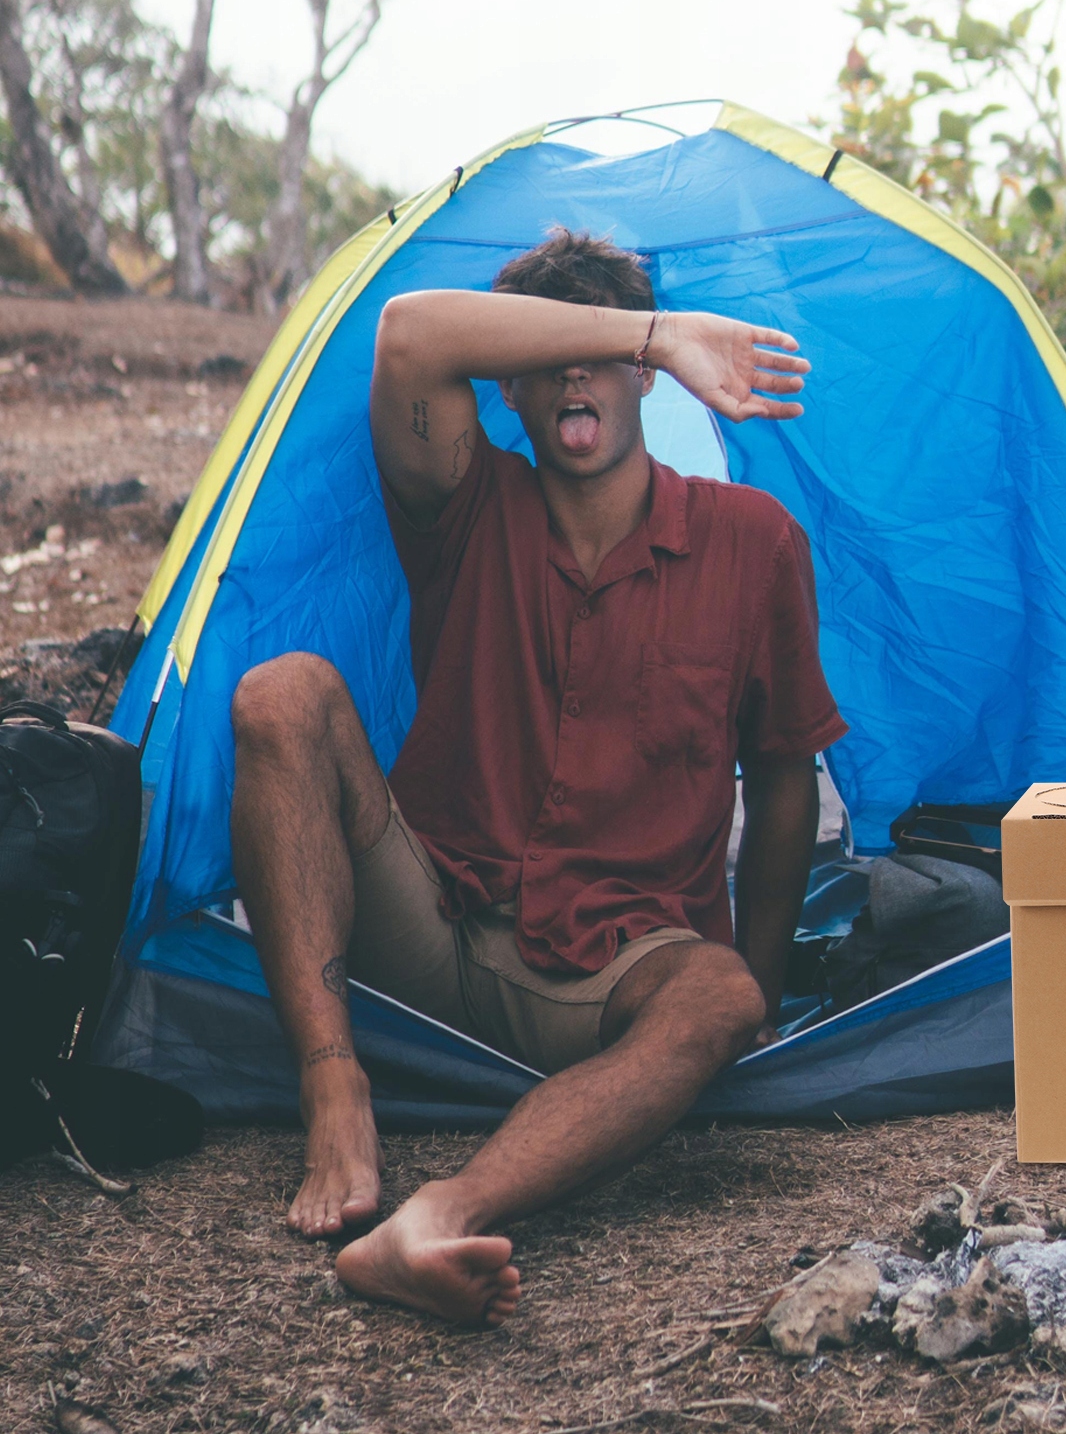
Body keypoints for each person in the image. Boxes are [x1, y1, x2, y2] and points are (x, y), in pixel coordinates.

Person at [228, 230, 847, 1326]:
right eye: (551, 356)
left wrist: (748, 1001)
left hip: (618, 965)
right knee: (281, 692)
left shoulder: (755, 543)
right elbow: (411, 334)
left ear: (643, 385)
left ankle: (434, 1220)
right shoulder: (467, 504)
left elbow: (786, 779)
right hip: (431, 917)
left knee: (721, 994)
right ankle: (338, 1092)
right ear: (507, 391)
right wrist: (649, 329)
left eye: (603, 355)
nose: (575, 375)